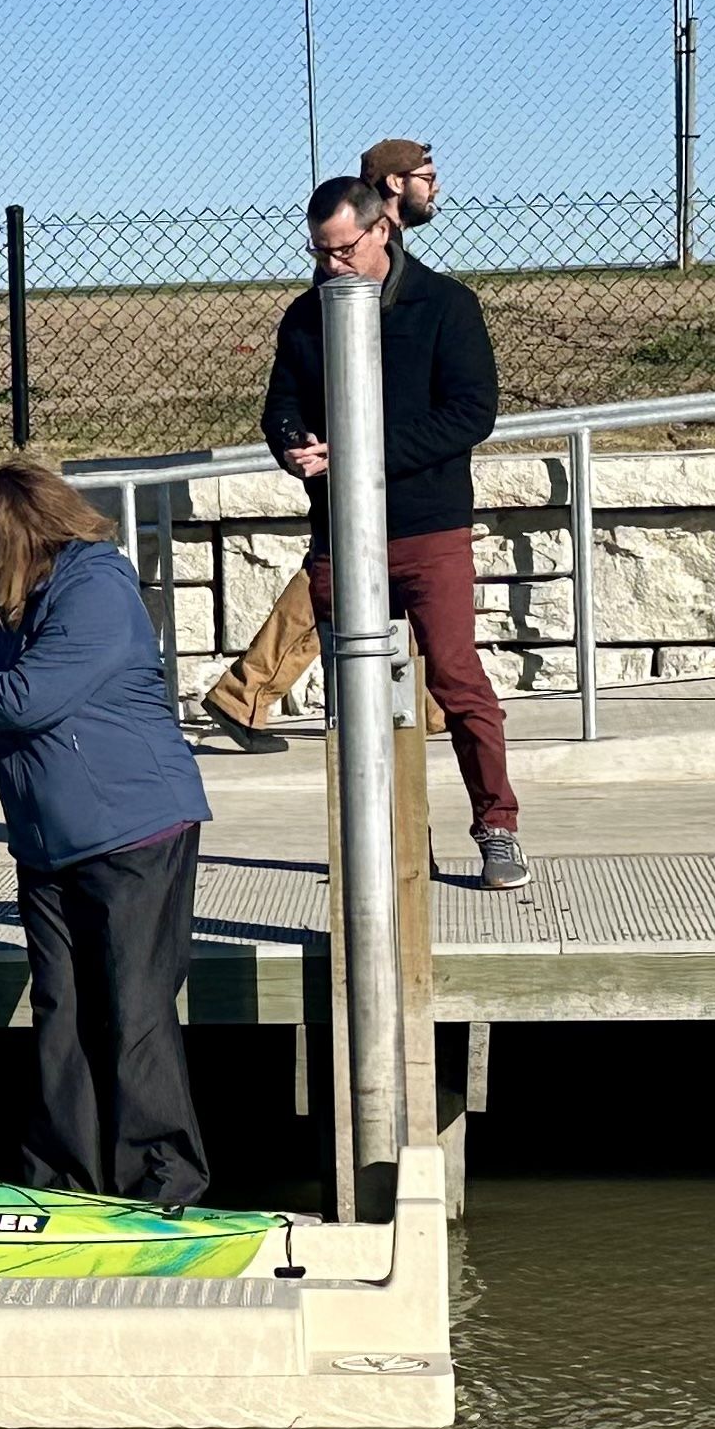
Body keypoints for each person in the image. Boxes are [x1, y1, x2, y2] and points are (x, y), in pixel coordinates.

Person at [0, 460, 216, 1205]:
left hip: (134, 832)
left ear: (18, 533)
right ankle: (63, 1179)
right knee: (61, 1014)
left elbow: (32, 696)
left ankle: (166, 1182)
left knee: (133, 1012)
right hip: (48, 844)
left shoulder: (97, 585)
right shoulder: (11, 603)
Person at [263, 168, 533, 892]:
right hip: (340, 533)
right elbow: (280, 404)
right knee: (357, 691)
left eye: (342, 250)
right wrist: (294, 444)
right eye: (320, 252)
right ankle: (379, 837)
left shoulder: (446, 306)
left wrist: (359, 453)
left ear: (382, 228)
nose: (330, 265)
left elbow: (471, 413)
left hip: (425, 527)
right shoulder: (305, 314)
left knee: (454, 676)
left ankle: (497, 826)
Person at [199, 136, 439, 754]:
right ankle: (244, 694)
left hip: (400, 466)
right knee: (334, 582)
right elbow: (298, 385)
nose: (433, 188)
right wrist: (300, 442)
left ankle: (429, 707)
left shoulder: (396, 263)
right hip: (354, 463)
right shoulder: (353, 260)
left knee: (386, 581)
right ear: (392, 188)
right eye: (424, 178)